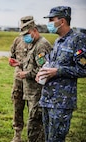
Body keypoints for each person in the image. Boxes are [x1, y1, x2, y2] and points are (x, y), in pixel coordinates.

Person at [36, 6, 86, 142]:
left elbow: (83, 69)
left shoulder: (78, 39)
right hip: (47, 99)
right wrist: (43, 72)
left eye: (52, 20)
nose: (49, 24)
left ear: (62, 21)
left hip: (62, 102)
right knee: (48, 138)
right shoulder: (58, 41)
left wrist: (59, 71)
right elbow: (53, 64)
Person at [17, 16, 52, 142]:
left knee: (35, 127)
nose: (25, 37)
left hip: (38, 93)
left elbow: (44, 70)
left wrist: (26, 74)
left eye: (27, 33)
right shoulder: (33, 44)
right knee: (33, 123)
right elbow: (33, 64)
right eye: (23, 34)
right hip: (31, 93)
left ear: (35, 30)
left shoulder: (41, 45)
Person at [9, 16, 33, 142]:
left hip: (32, 81)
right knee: (17, 106)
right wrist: (12, 62)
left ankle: (32, 134)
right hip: (18, 80)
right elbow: (11, 56)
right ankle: (17, 134)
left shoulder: (37, 42)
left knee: (33, 108)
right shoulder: (18, 40)